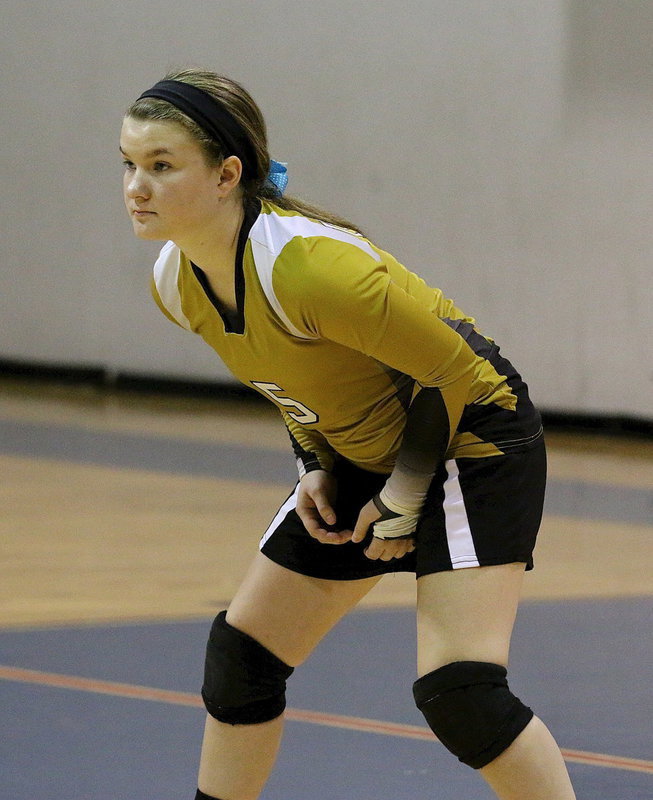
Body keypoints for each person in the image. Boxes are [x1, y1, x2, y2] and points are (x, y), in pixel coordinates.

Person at [120, 68, 577, 800]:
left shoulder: (310, 266)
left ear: (226, 175)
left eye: (162, 166)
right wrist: (313, 463)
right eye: (130, 164)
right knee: (241, 661)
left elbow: (453, 379)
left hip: (471, 440)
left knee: (460, 693)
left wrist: (401, 493)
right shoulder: (176, 281)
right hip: (364, 449)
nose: (136, 187)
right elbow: (293, 383)